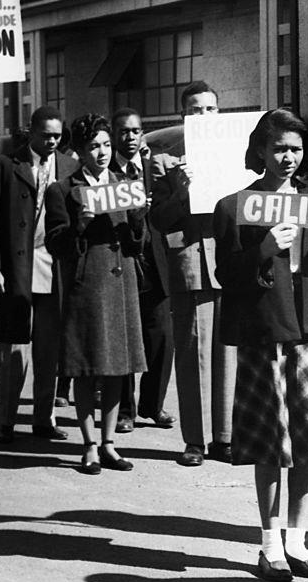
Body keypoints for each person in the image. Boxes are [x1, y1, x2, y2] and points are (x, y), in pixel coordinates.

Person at [213, 109, 308, 582]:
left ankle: (297, 543)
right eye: (279, 148)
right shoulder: (234, 206)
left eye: (296, 149)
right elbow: (225, 274)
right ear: (261, 151)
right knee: (270, 440)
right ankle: (269, 546)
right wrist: (263, 249)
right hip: (264, 333)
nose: (289, 158)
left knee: (307, 441)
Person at [45, 113, 147, 473]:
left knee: (118, 368)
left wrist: (137, 217)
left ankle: (109, 443)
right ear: (78, 151)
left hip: (121, 283)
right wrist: (80, 225)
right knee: (87, 368)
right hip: (86, 286)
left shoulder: (125, 182)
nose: (102, 152)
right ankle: (88, 445)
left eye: (106, 144)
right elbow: (55, 244)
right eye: (94, 146)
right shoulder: (61, 189)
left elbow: (137, 245)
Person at [151, 81, 236, 466]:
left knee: (229, 354)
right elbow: (159, 220)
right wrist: (182, 191)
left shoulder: (236, 156)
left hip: (229, 264)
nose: (205, 116)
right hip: (189, 265)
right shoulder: (166, 163)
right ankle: (195, 441)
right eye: (197, 110)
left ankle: (226, 437)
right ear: (185, 117)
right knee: (192, 355)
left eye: (211, 109)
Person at [0, 106, 77, 443]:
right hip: (16, 268)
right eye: (46, 135)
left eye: (57, 136)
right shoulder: (6, 164)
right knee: (14, 350)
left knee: (49, 349)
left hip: (55, 268)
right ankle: (5, 420)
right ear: (32, 132)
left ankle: (43, 418)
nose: (52, 141)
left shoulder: (69, 166)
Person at [109, 108, 175, 433]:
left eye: (136, 131)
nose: (130, 137)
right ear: (113, 134)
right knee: (124, 341)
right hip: (122, 266)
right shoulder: (105, 174)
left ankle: (153, 405)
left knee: (162, 337)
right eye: (123, 131)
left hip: (155, 266)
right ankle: (125, 410)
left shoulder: (153, 169)